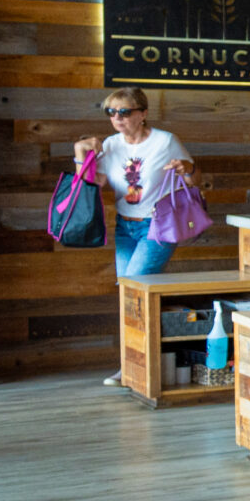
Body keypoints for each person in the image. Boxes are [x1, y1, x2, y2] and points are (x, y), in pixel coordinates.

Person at [73, 87, 197, 386]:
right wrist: (80, 154)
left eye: (125, 112)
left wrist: (187, 168)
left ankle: (135, 366)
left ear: (143, 114)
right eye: (111, 112)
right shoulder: (111, 146)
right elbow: (94, 183)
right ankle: (138, 364)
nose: (117, 118)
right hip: (125, 227)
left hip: (157, 226)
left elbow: (193, 180)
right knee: (130, 294)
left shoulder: (164, 141)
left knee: (135, 290)